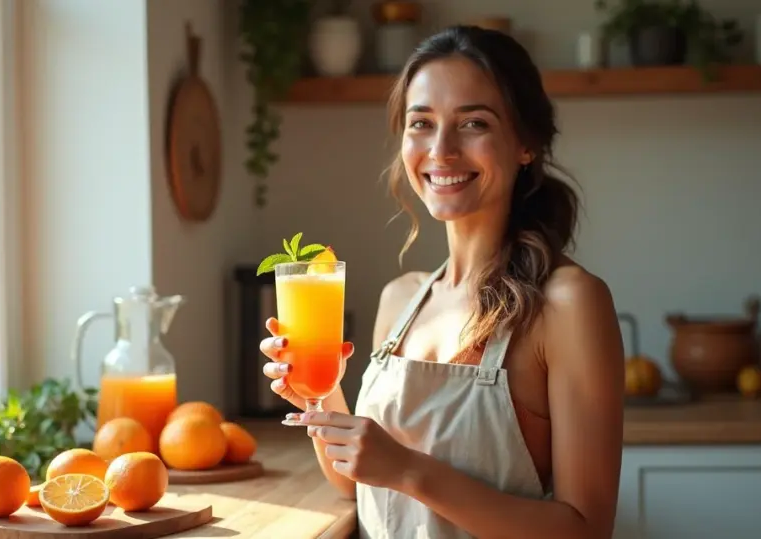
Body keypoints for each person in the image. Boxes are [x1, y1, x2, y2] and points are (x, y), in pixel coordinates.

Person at [260, 25, 624, 539]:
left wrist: (409, 470)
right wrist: (318, 395)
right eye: (421, 123)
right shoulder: (399, 300)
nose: (441, 150)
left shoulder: (568, 304)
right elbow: (360, 487)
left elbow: (586, 530)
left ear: (525, 143)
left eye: (473, 123)